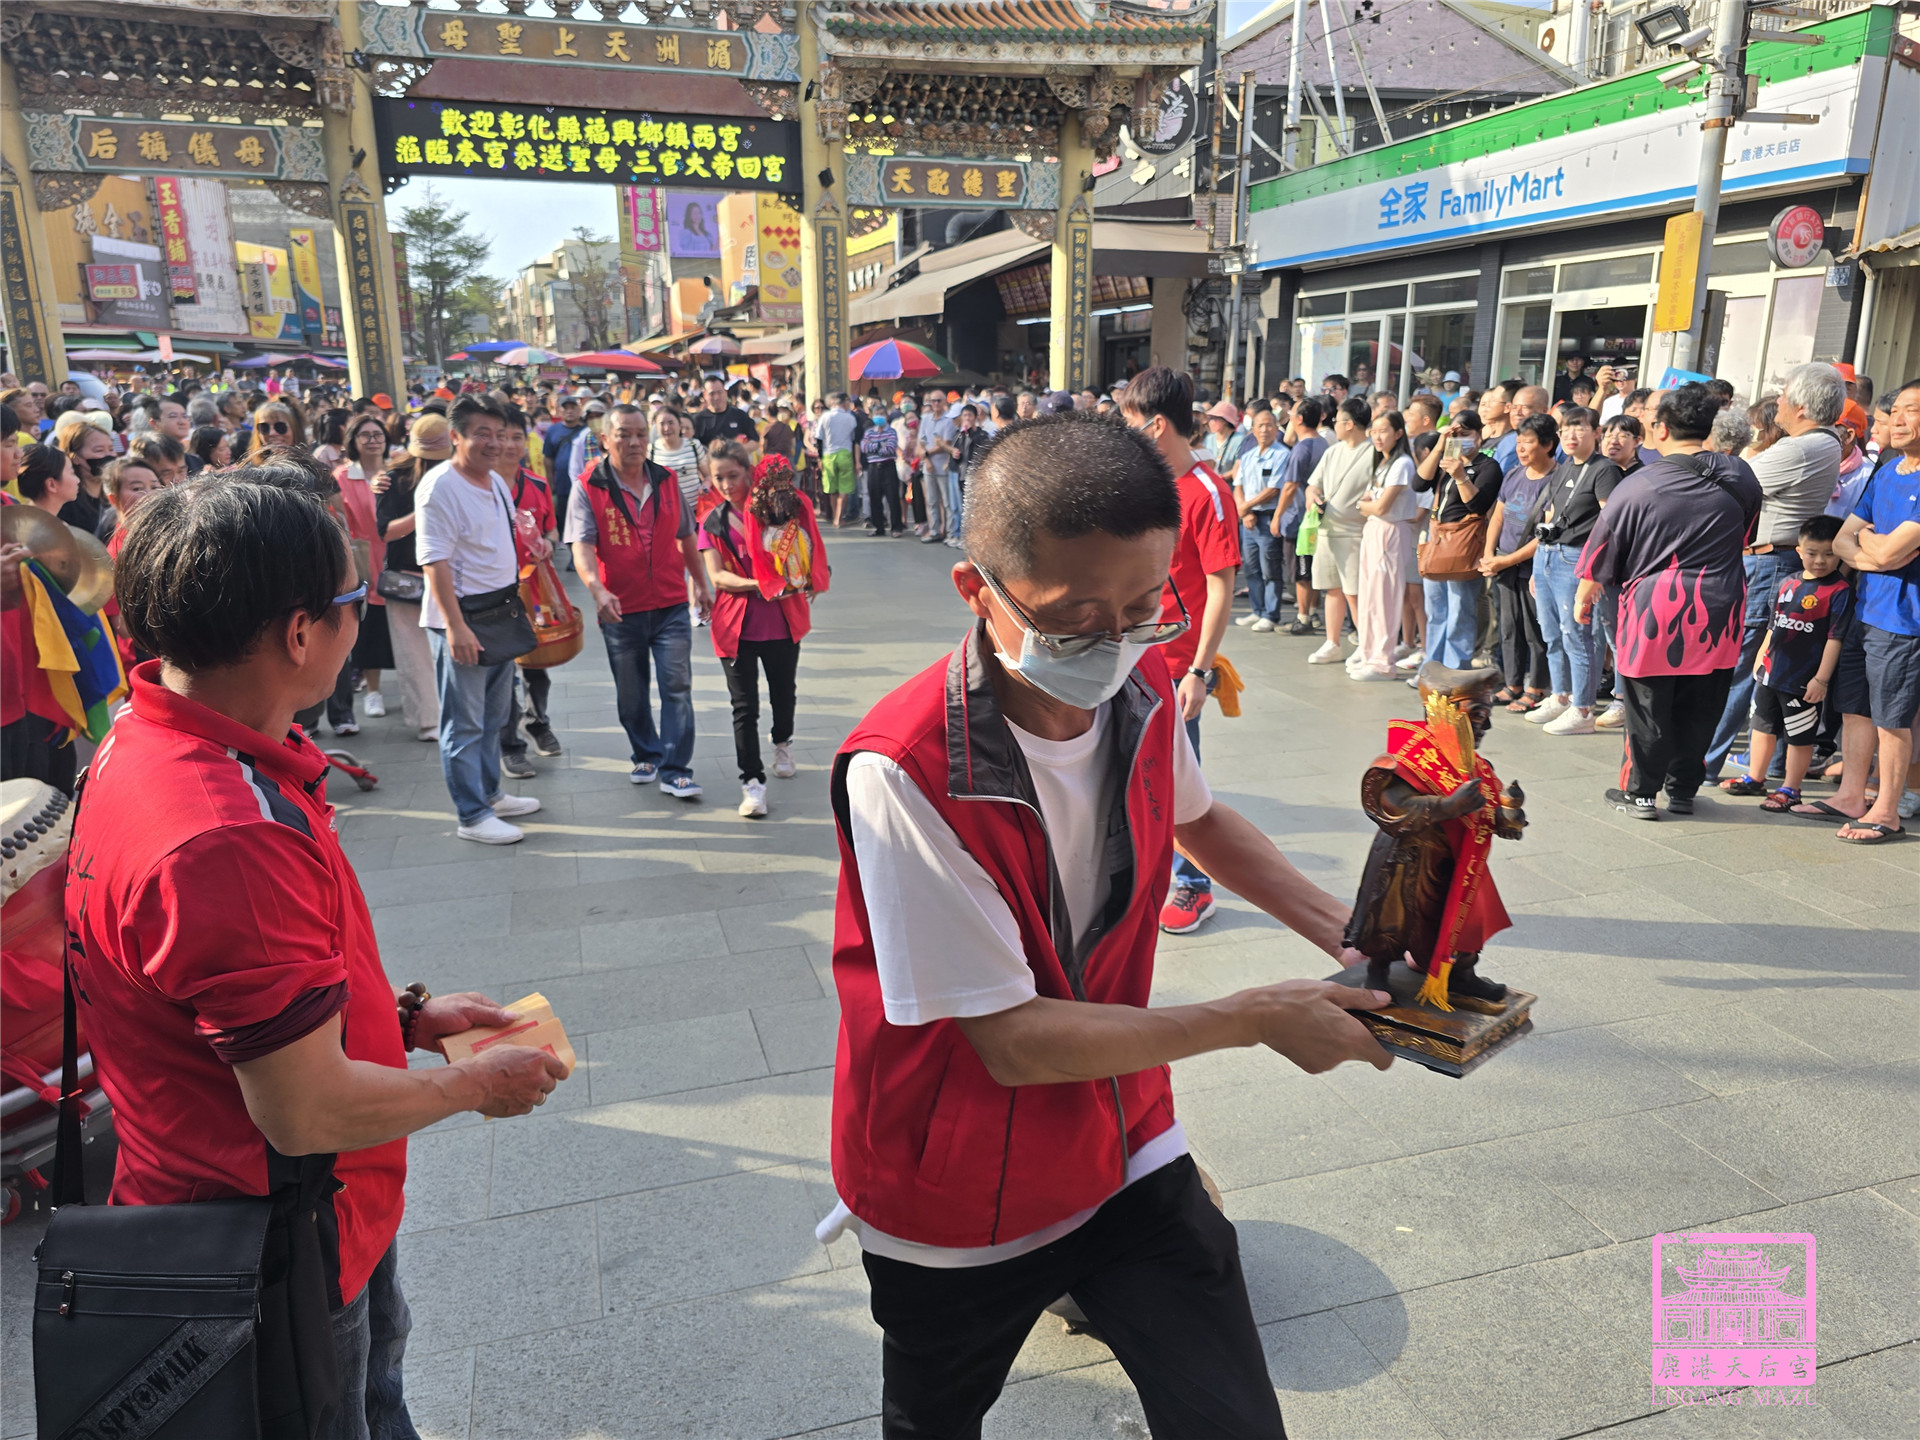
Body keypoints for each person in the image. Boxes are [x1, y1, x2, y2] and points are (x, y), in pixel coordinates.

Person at [816, 412, 1393, 1439]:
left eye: (1143, 606)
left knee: (1230, 1421)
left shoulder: (1143, 680)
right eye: (1077, 618)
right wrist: (1256, 1016)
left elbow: (1201, 820)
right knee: (934, 1420)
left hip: (1121, 1130)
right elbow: (1012, 1040)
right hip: (957, 1183)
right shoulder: (904, 769)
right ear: (978, 591)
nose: (1117, 641)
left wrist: (1358, 938)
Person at [68, 472, 567, 1438]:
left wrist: (405, 1017)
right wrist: (477, 1085)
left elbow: (225, 990)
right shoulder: (224, 835)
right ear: (300, 634)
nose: (361, 615)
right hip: (275, 1236)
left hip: (262, 1201)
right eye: (354, 597)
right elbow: (304, 1111)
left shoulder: (152, 736)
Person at [1576, 384, 1762, 819]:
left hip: (1655, 608)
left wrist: (1584, 593)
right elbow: (1746, 534)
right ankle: (1682, 791)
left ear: (1659, 429)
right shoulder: (1741, 475)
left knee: (1647, 705)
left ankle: (1640, 794)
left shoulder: (1639, 484)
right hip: (1721, 607)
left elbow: (1602, 552)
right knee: (1703, 704)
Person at [1119, 368, 1240, 935]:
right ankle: (1145, 872)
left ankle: (1194, 884)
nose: (1126, 434)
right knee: (1128, 774)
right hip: (1127, 655)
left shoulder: (1209, 493)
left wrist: (1199, 671)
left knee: (1176, 782)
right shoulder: (1145, 485)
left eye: (1131, 423)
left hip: (1174, 667)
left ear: (1158, 424)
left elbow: (1221, 588)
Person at [1703, 362, 1846, 781]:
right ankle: (1773, 766)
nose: (1777, 403)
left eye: (1783, 396)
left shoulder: (1801, 448)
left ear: (1801, 407)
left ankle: (1704, 762)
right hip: (1776, 561)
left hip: (1769, 563)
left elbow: (1727, 482)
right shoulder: (1820, 443)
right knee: (1775, 669)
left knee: (1742, 666)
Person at [416, 396, 548, 843]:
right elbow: (434, 562)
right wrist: (455, 627)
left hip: (499, 612)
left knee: (495, 715)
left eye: (501, 434)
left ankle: (491, 793)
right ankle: (471, 815)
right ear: (456, 436)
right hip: (462, 617)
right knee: (465, 722)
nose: (495, 443)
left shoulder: (494, 481)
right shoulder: (440, 487)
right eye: (483, 434)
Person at [566, 402, 714, 799]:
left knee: (677, 685)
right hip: (620, 608)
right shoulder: (588, 486)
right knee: (631, 694)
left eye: (640, 434)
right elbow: (582, 547)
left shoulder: (666, 480)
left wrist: (700, 584)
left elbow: (686, 535)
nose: (634, 442)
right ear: (605, 440)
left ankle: (676, 769)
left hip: (670, 603)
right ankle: (646, 752)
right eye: (624, 435)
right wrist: (596, 589)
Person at [699, 450, 829, 817]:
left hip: (783, 621)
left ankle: (782, 740)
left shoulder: (780, 509)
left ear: (749, 472)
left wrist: (810, 575)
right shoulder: (712, 521)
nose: (727, 485)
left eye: (733, 475)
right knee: (744, 707)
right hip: (735, 625)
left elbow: (807, 545)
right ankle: (752, 782)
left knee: (783, 693)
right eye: (719, 478)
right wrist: (759, 584)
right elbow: (717, 576)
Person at [1819, 379, 1920, 843]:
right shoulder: (1888, 470)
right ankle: (1851, 796)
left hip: (1904, 619)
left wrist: (1873, 545)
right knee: (1855, 706)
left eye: (1911, 410)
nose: (1897, 420)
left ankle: (1887, 811)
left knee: (1892, 716)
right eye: (1895, 411)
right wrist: (1872, 545)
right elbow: (1845, 539)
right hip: (1866, 607)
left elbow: (1891, 550)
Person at [1719, 514, 1851, 812]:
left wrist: (1821, 679)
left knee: (1799, 736)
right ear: (1799, 551)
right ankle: (1755, 777)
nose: (1820, 561)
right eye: (1812, 553)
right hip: (1771, 672)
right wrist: (1760, 660)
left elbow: (1836, 639)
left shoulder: (1840, 591)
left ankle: (1791, 788)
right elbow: (1773, 626)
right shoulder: (1786, 583)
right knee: (1762, 726)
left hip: (1804, 680)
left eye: (1829, 554)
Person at [1525, 408, 1620, 735]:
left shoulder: (1604, 470)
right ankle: (1561, 695)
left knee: (1577, 635)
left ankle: (1582, 709)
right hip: (1548, 554)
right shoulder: (1563, 467)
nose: (1570, 435)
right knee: (1551, 632)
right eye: (1566, 429)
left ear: (1596, 433)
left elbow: (1610, 523)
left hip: (1577, 558)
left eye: (1579, 428)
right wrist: (1538, 567)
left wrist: (1595, 570)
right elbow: (1551, 514)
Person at [373, 415, 448, 741]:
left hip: (451, 572)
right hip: (409, 576)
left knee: (451, 649)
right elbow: (386, 531)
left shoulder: (459, 473)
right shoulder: (393, 479)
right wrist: (425, 511)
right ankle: (428, 719)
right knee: (413, 653)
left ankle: (450, 712)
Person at [499, 409, 564, 775]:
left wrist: (549, 543)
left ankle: (538, 722)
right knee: (502, 671)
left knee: (538, 663)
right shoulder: (482, 486)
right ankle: (509, 743)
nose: (511, 445)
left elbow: (552, 529)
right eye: (503, 437)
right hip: (494, 593)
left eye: (517, 438)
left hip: (535, 589)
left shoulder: (538, 485)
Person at [1415, 409, 1501, 670]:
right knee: (1436, 611)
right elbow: (1419, 483)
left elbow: (1477, 505)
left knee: (1460, 611)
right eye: (1456, 434)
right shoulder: (1445, 461)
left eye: (1466, 433)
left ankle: (1455, 668)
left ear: (1479, 435)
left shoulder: (1487, 466)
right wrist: (1441, 445)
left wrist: (1461, 476)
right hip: (1438, 539)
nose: (1460, 439)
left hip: (1464, 543)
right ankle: (1432, 667)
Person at [1480, 412, 1551, 714]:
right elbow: (1497, 517)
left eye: (1528, 442)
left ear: (1547, 444)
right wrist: (1489, 554)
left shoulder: (1555, 480)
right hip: (1503, 564)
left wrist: (1505, 560)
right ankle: (1513, 684)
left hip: (1531, 568)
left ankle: (1537, 687)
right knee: (1508, 628)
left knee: (1535, 630)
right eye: (1519, 441)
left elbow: (1546, 534)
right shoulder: (1513, 475)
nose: (1521, 448)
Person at [1304, 397, 1377, 664]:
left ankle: (1365, 646)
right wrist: (1313, 496)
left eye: (1337, 420)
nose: (1333, 424)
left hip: (1355, 532)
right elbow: (1313, 485)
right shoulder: (1332, 451)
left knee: (1354, 592)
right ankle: (1332, 642)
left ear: (1349, 423)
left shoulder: (1373, 453)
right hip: (1326, 530)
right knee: (1331, 588)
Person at [1348, 411, 1420, 681]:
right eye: (1374, 431)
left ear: (1398, 433)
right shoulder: (1382, 463)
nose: (1377, 437)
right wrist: (1366, 506)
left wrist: (1366, 506)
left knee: (1385, 598)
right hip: (1374, 529)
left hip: (1391, 531)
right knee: (1369, 595)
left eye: (1384, 431)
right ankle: (1369, 654)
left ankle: (1383, 663)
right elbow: (1367, 502)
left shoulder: (1402, 464)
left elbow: (1379, 506)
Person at [336, 414, 394, 726]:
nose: (373, 440)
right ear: (353, 442)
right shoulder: (344, 476)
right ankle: (373, 691)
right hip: (363, 560)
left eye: (378, 434)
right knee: (371, 630)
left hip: (399, 556)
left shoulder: (397, 470)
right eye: (365, 435)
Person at [1273, 396, 1328, 635]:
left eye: (1293, 414)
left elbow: (1290, 486)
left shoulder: (1301, 449)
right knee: (1311, 569)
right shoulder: (1324, 444)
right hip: (1317, 517)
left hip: (1299, 519)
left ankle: (1303, 617)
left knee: (1300, 571)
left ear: (1300, 419)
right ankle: (1312, 613)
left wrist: (1277, 516)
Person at [1232, 406, 1289, 631]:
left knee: (1270, 569)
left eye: (1269, 425)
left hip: (1267, 517)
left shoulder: (1282, 454)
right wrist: (1244, 511)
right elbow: (1238, 485)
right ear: (1253, 430)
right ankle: (1257, 610)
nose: (1265, 430)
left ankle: (1271, 614)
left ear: (1276, 428)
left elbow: (1274, 489)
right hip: (1248, 520)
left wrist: (1245, 507)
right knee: (1252, 568)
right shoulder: (1248, 456)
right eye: (1260, 426)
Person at [918, 389, 959, 546]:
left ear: (944, 402)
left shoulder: (948, 421)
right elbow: (921, 442)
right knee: (932, 501)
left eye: (939, 400)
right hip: (929, 467)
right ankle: (934, 531)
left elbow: (945, 445)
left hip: (943, 467)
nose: (936, 403)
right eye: (933, 401)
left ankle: (950, 532)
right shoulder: (925, 419)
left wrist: (926, 453)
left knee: (947, 503)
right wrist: (926, 459)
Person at [859, 403, 904, 537]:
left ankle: (896, 528)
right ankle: (878, 527)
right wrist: (880, 445)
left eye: (882, 414)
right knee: (874, 498)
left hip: (888, 467)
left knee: (893, 498)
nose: (879, 417)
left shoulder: (891, 431)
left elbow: (890, 449)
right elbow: (864, 448)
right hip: (873, 468)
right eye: (877, 414)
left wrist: (873, 446)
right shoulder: (869, 432)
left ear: (887, 416)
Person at [817, 391, 860, 528]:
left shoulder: (824, 416)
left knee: (832, 490)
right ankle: (838, 518)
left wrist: (819, 458)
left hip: (828, 455)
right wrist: (856, 461)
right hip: (845, 454)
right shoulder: (850, 418)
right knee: (844, 489)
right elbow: (854, 440)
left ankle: (835, 515)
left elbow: (819, 439)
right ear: (844, 403)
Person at [691, 375, 758, 450]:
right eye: (712, 394)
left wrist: (737, 449)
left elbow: (755, 441)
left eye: (719, 392)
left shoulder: (739, 415)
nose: (716, 397)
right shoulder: (698, 420)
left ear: (725, 392)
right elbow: (691, 444)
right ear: (705, 395)